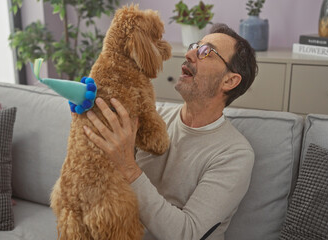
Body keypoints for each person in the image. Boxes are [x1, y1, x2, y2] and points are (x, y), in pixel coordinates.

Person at [83, 23, 258, 240]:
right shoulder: (154, 118)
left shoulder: (235, 154)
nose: (189, 54)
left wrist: (128, 167)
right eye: (195, 46)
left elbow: (188, 233)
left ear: (229, 80)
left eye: (206, 52)